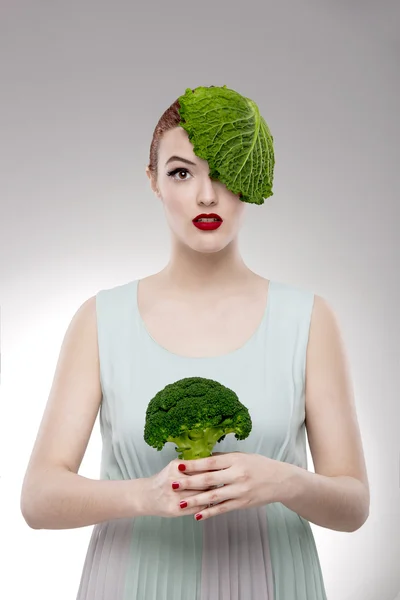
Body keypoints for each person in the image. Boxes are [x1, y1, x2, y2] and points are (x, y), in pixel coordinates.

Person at [20, 85, 370, 600]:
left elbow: (354, 504)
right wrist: (147, 495)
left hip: (272, 584)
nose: (207, 195)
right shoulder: (100, 320)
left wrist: (285, 482)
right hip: (134, 583)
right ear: (154, 182)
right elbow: (38, 498)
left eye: (225, 170)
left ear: (251, 180)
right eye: (182, 172)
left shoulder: (310, 319)